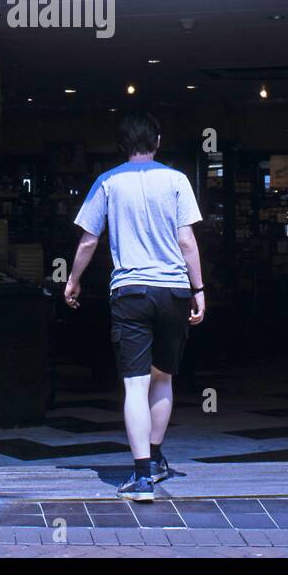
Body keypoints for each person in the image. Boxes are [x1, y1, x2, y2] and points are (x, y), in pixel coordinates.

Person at [65, 111, 205, 502]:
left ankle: (142, 476)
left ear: (121, 145)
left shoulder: (108, 182)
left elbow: (89, 240)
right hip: (173, 290)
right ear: (157, 140)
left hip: (130, 291)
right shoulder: (176, 180)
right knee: (163, 378)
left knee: (134, 384)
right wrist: (200, 288)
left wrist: (73, 280)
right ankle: (157, 459)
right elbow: (187, 241)